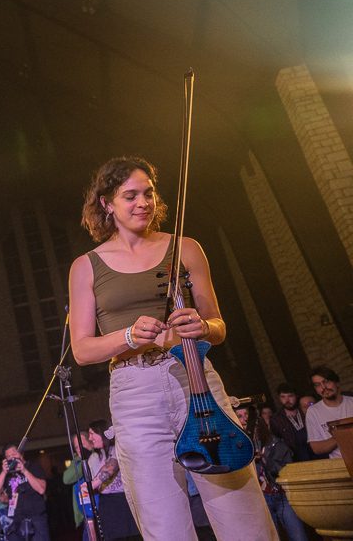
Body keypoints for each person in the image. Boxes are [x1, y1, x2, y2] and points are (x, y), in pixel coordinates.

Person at [68, 156, 276, 541]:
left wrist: (203, 326)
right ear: (106, 203)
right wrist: (129, 336)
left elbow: (218, 326)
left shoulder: (186, 247)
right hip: (136, 393)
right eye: (130, 195)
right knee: (163, 521)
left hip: (194, 377)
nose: (143, 203)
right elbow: (82, 350)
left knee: (240, 509)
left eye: (148, 193)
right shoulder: (86, 266)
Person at [235, 406, 307, 541]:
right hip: (260, 501)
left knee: (299, 536)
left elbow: (287, 469)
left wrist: (265, 459)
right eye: (239, 416)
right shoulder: (237, 449)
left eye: (247, 415)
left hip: (281, 496)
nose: (245, 419)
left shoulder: (274, 443)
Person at [85, 420, 139, 540]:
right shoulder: (94, 457)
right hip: (107, 503)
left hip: (123, 501)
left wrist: (91, 485)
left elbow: (110, 468)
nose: (90, 438)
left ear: (102, 433)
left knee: (132, 536)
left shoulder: (116, 449)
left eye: (92, 434)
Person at [0, 445, 47, 541]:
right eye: (8, 456)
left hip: (36, 517)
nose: (12, 457)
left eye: (14, 454)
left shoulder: (33, 466)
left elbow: (41, 489)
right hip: (16, 519)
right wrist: (4, 472)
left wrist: (24, 470)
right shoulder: (7, 473)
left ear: (21, 453)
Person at [305, 365, 353, 459]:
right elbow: (316, 448)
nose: (323, 387)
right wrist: (342, 435)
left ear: (337, 383)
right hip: (340, 464)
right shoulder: (313, 412)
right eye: (318, 385)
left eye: (326, 381)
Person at [269, 384, 313, 462]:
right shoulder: (276, 419)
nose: (287, 400)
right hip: (295, 458)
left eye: (290, 396)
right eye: (283, 397)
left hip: (314, 451)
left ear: (296, 396)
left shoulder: (305, 411)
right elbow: (277, 442)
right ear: (279, 398)